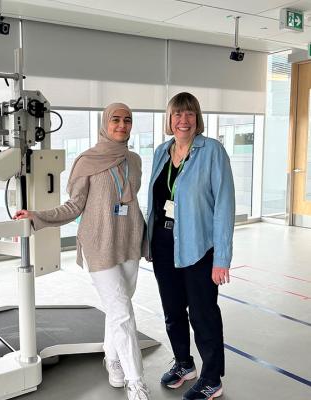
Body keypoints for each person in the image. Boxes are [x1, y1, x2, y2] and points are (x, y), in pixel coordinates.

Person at [14, 103, 150, 400]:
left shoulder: (135, 160)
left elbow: (134, 203)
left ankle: (112, 360)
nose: (122, 125)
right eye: (116, 119)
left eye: (127, 120)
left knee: (118, 308)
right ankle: (136, 381)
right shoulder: (87, 161)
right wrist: (38, 216)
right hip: (99, 243)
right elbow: (74, 207)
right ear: (105, 122)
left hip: (128, 240)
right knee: (123, 313)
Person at [146, 92, 235, 400]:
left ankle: (212, 379)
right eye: (177, 115)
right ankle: (184, 364)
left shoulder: (212, 151)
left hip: (198, 245)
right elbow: (154, 202)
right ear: (169, 119)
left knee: (202, 313)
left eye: (189, 114)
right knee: (172, 311)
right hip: (162, 242)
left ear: (197, 119)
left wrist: (221, 257)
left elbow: (224, 205)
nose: (183, 121)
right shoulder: (161, 151)